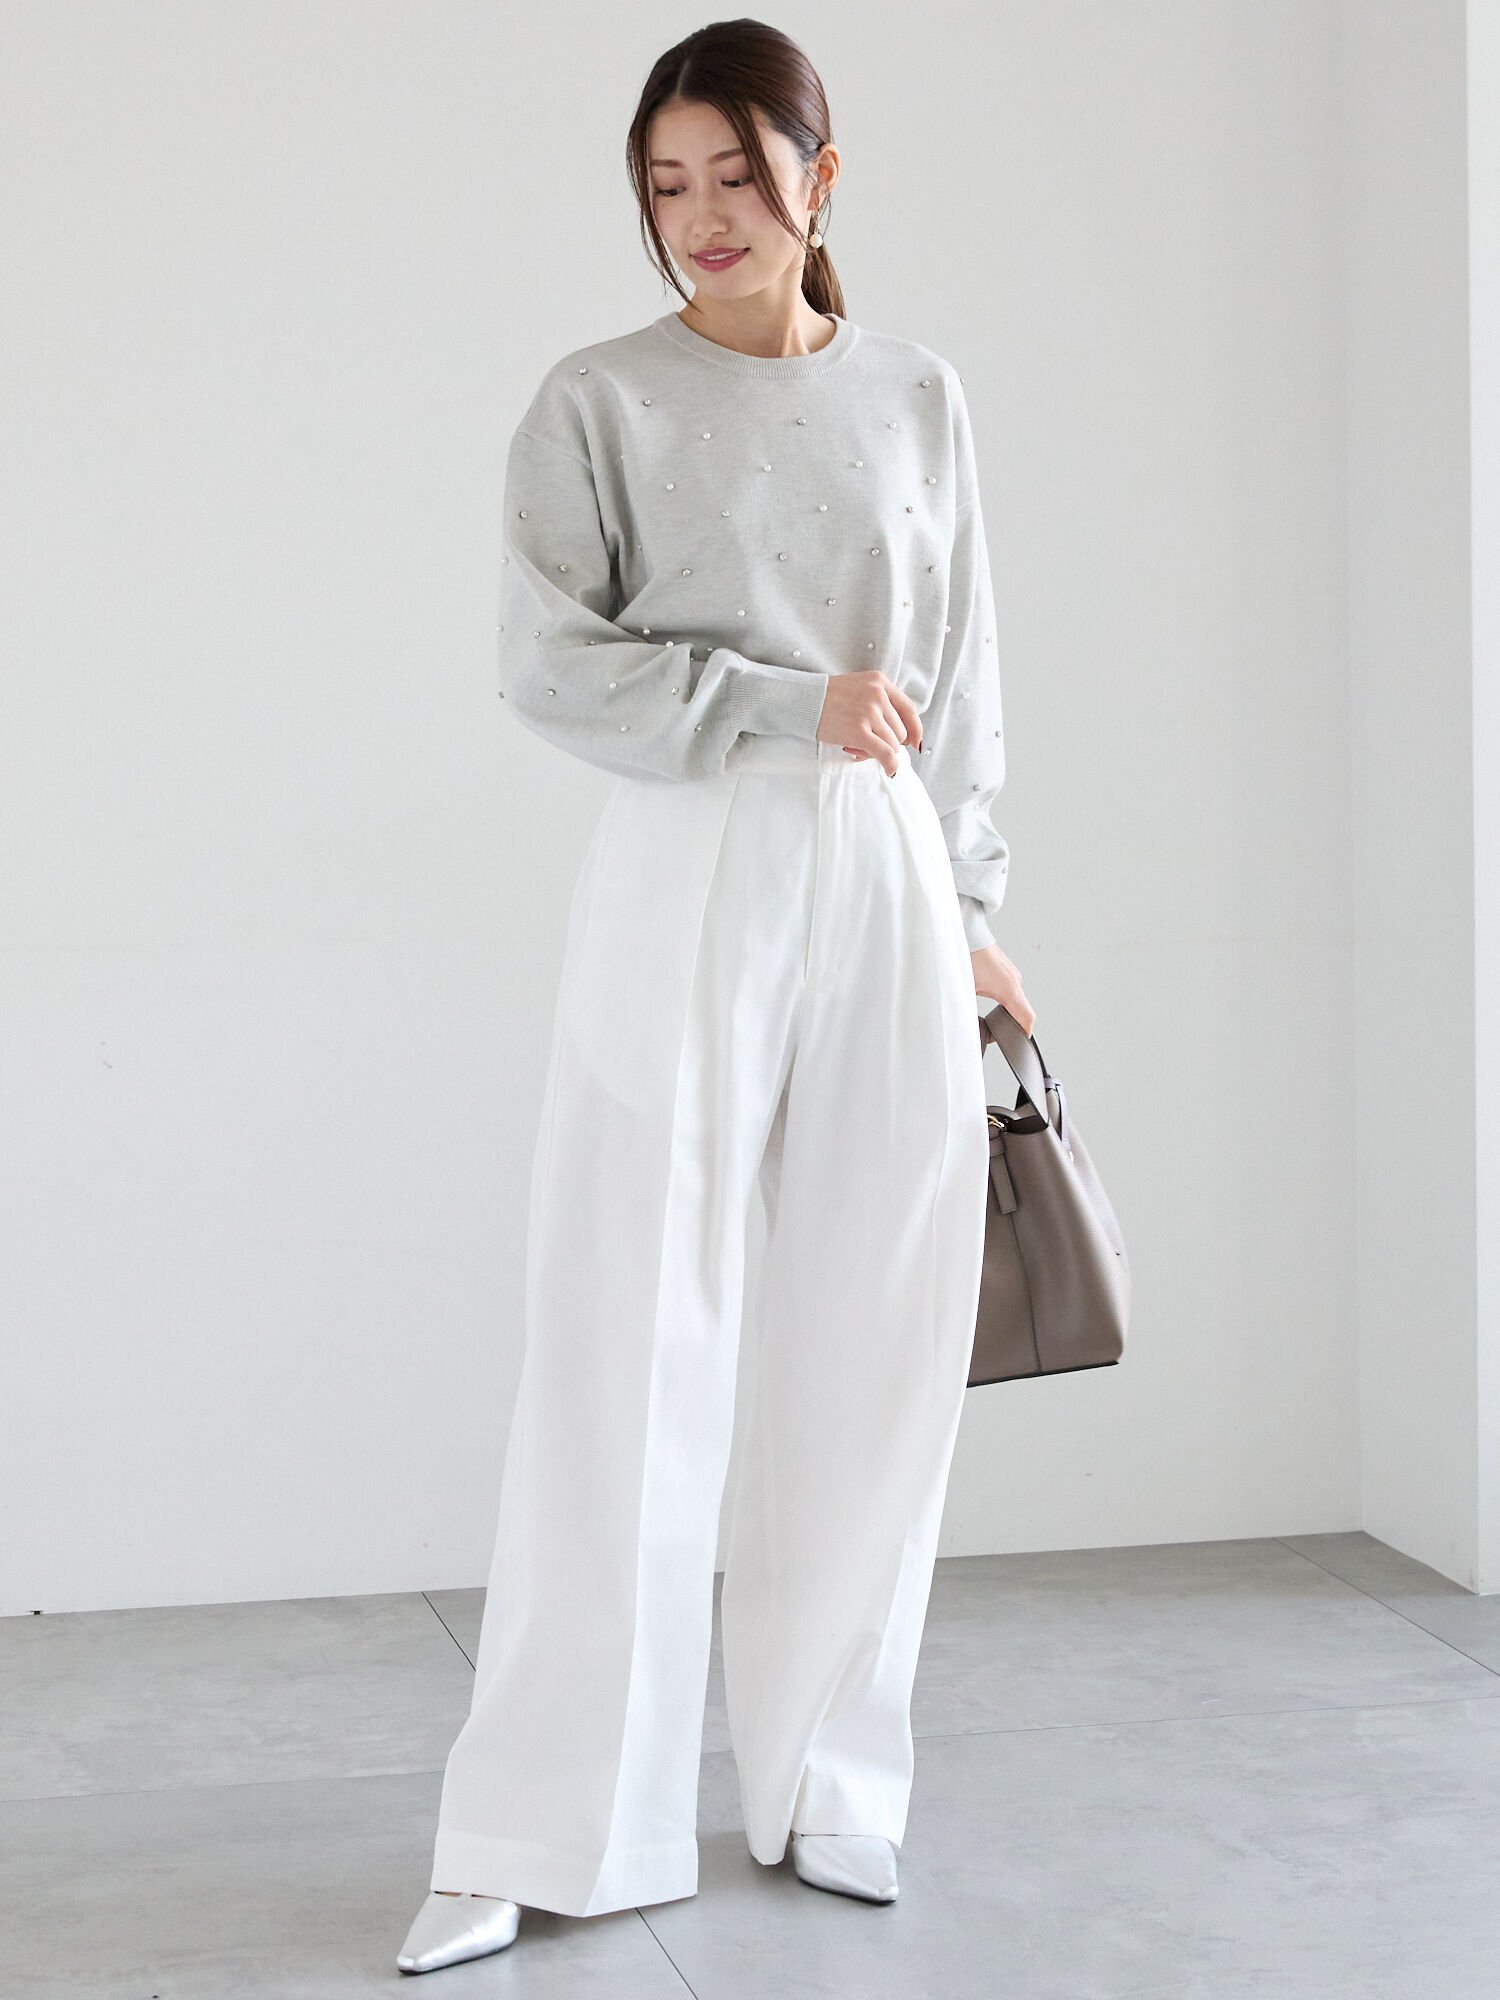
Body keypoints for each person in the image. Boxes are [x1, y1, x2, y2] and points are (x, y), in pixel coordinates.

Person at [396, 17, 1034, 1976]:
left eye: (737, 175)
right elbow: (547, 664)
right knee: (627, 1332)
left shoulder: (918, 396)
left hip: (887, 871)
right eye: (667, 183)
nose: (701, 216)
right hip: (690, 855)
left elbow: (960, 675)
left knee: (878, 1331)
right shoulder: (598, 400)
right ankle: (547, 1820)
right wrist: (784, 701)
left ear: (820, 178)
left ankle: (833, 1777)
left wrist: (975, 905)